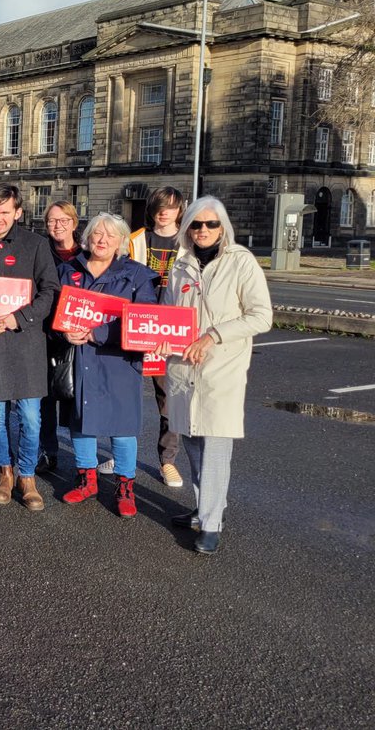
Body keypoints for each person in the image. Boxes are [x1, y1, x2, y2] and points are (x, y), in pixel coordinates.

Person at [159, 197, 272, 556]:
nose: (203, 230)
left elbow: (261, 316)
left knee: (217, 447)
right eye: (196, 224)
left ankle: (211, 523)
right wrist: (159, 339)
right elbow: (166, 312)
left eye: (211, 224)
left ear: (222, 227)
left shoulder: (240, 261)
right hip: (182, 367)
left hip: (222, 368)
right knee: (192, 439)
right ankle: (204, 505)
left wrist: (214, 335)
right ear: (187, 228)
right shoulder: (180, 265)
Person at [0, 183, 59, 511]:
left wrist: (22, 318)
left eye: (5, 212)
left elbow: (50, 291)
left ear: (17, 212)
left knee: (30, 417)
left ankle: (27, 475)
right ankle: (5, 471)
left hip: (26, 345)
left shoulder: (36, 245)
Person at [55, 213, 158, 517]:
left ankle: (125, 485)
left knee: (122, 425)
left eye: (110, 236)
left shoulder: (138, 275)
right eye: (97, 234)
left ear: (121, 242)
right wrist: (64, 331)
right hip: (80, 358)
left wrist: (97, 333)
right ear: (86, 237)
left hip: (119, 360)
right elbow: (54, 311)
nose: (102, 240)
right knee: (81, 421)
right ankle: (86, 478)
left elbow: (144, 320)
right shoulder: (68, 270)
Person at [105, 185, 186, 487]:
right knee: (123, 392)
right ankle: (120, 451)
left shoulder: (189, 240)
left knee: (169, 398)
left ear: (180, 209)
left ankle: (168, 461)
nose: (165, 211)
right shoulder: (137, 239)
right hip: (137, 322)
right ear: (151, 208)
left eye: (172, 206)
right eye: (160, 205)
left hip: (171, 327)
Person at [38, 200, 82, 474]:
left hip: (76, 336)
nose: (57, 226)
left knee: (75, 397)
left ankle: (83, 458)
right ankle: (48, 450)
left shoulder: (86, 253)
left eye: (63, 220)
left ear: (74, 223)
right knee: (44, 399)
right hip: (44, 332)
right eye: (52, 221)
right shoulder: (40, 250)